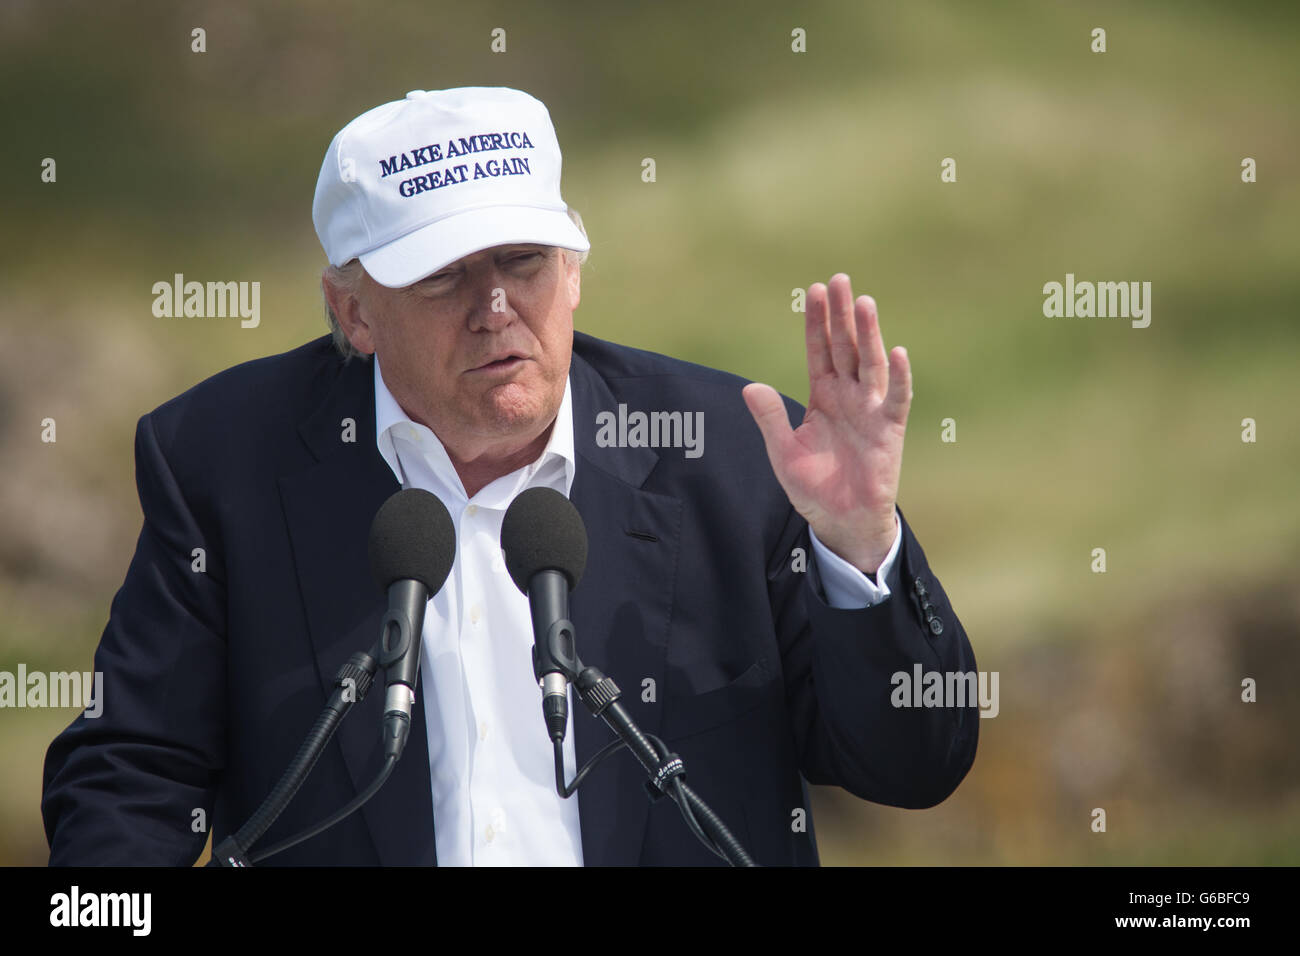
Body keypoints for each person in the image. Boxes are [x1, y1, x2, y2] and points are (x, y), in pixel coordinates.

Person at [42, 86, 978, 866]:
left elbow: (915, 767)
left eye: (523, 261)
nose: (496, 309)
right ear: (352, 310)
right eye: (444, 277)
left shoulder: (727, 452)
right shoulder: (222, 461)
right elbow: (129, 777)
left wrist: (861, 545)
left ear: (574, 269)